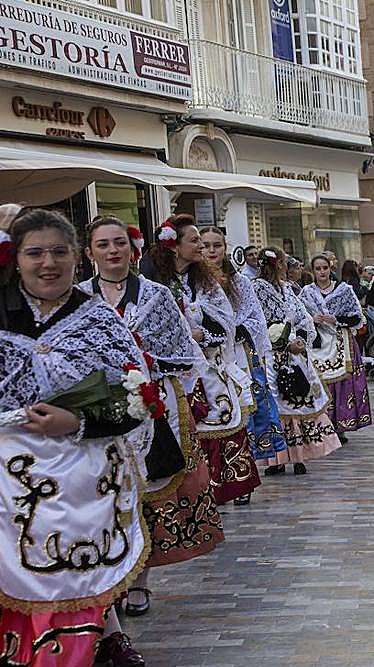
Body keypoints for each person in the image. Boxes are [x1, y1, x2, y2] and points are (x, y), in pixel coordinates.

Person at [0, 208, 152, 667]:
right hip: (2, 492)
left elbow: (138, 401)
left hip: (78, 494)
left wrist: (77, 424)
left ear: (76, 257)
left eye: (58, 251)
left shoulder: (101, 321)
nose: (48, 262)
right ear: (16, 258)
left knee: (69, 617)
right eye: (35, 252)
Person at [82, 216, 220, 642]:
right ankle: (110, 584)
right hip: (98, 412)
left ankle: (139, 579)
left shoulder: (157, 297)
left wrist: (147, 364)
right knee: (103, 496)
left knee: (146, 493)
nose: (112, 251)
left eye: (119, 242)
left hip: (149, 406)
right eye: (103, 244)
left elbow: (183, 350)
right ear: (90, 253)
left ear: (133, 248)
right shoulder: (78, 300)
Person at [149, 215, 260, 508]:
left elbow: (226, 323)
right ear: (174, 246)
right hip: (179, 371)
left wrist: (201, 333)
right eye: (195, 240)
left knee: (223, 419)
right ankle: (194, 490)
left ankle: (233, 484)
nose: (201, 246)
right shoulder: (156, 283)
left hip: (211, 364)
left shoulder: (208, 282)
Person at [198, 228, 288, 487]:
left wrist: (233, 329)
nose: (212, 251)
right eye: (206, 245)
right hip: (204, 359)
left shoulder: (240, 282)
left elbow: (256, 318)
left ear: (225, 248)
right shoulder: (189, 283)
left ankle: (242, 471)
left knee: (246, 408)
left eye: (217, 245)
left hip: (237, 354)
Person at [252, 247, 342, 474]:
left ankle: (299, 454)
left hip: (295, 353)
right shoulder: (257, 289)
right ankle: (278, 457)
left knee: (299, 397)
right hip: (272, 355)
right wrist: (282, 342)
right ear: (278, 264)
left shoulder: (287, 288)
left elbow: (302, 316)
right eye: (283, 262)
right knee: (277, 400)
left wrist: (301, 339)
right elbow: (262, 323)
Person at [299, 254, 372, 443]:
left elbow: (357, 318)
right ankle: (322, 424)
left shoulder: (344, 290)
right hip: (316, 342)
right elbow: (298, 317)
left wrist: (336, 320)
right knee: (319, 382)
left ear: (330, 269)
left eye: (325, 268)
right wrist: (311, 320)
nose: (322, 272)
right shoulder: (306, 292)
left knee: (342, 383)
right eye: (318, 269)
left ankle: (341, 425)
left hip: (340, 341)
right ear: (312, 271)